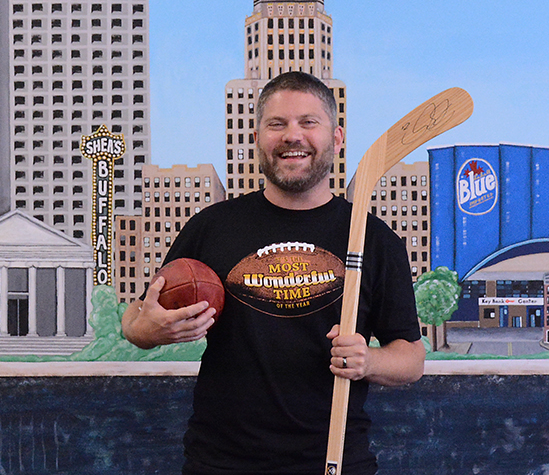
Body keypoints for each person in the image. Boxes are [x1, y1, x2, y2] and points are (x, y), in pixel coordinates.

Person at [121, 71, 425, 475]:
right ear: (258, 139)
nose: (292, 136)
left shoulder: (374, 239)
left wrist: (367, 361)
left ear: (336, 139)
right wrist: (150, 330)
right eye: (276, 124)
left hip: (333, 461)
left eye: (308, 123)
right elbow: (136, 318)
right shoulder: (212, 227)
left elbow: (412, 358)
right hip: (221, 463)